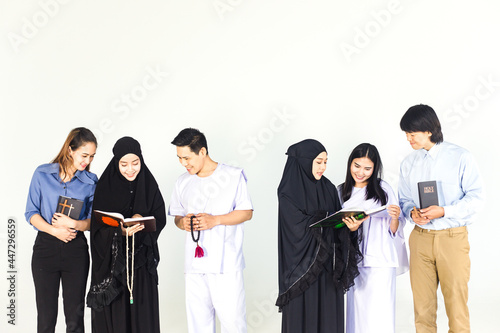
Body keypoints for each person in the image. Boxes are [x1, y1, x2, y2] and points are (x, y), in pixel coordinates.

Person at [398, 104, 483, 333]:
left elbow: (476, 198)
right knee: (422, 309)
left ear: (427, 130)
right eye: (406, 134)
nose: (408, 139)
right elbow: (404, 200)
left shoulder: (460, 157)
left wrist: (444, 211)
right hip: (420, 239)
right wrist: (412, 212)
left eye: (411, 133)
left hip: (452, 239)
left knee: (456, 306)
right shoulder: (408, 163)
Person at [168, 128, 253, 333]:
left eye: (187, 158)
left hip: (226, 264)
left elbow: (246, 212)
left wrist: (216, 220)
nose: (183, 163)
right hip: (195, 266)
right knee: (198, 325)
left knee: (233, 324)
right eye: (180, 158)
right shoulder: (182, 182)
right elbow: (177, 218)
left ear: (203, 151)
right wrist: (183, 223)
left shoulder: (233, 176)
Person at [276, 139, 362, 333]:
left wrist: (350, 226)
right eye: (319, 162)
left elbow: (337, 225)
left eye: (325, 162)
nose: (323, 167)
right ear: (305, 161)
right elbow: (295, 228)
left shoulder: (329, 188)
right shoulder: (288, 192)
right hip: (300, 270)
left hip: (328, 269)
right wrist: (325, 220)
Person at [86, 137, 166, 333]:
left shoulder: (149, 185)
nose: (130, 169)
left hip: (140, 267)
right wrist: (119, 231)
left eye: (135, 163)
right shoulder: (105, 186)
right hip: (115, 269)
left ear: (141, 160)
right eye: (124, 164)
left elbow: (160, 217)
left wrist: (142, 218)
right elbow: (97, 226)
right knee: (117, 317)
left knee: (142, 315)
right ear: (116, 163)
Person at [25, 127, 98, 333]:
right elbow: (31, 213)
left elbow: (95, 221)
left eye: (92, 156)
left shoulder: (91, 182)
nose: (87, 161)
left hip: (76, 250)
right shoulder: (42, 174)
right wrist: (54, 230)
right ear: (70, 150)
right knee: (46, 317)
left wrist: (75, 224)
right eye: (84, 155)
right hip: (45, 248)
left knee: (75, 317)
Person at [338, 143, 409, 333]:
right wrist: (351, 228)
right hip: (354, 261)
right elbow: (336, 228)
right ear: (349, 164)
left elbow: (395, 229)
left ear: (375, 168)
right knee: (357, 312)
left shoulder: (382, 188)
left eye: (367, 168)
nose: (361, 172)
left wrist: (394, 216)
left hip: (380, 260)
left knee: (380, 313)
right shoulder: (341, 191)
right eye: (357, 166)